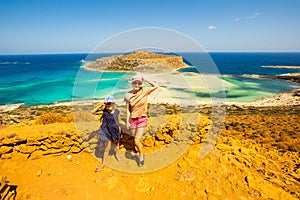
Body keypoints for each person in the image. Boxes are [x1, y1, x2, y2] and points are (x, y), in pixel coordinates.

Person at [124, 76, 158, 167]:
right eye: (135, 83)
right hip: (132, 119)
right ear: (132, 84)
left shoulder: (145, 91)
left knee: (136, 140)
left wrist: (146, 80)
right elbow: (128, 109)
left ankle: (141, 156)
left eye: (139, 83)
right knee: (134, 137)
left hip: (142, 119)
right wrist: (127, 121)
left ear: (141, 84)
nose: (137, 85)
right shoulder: (128, 95)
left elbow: (156, 86)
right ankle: (137, 151)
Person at [93, 96, 123, 172]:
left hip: (115, 131)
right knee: (107, 148)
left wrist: (127, 124)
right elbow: (92, 112)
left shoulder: (117, 112)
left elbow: (119, 121)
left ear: (114, 104)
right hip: (107, 132)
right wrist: (102, 103)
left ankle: (117, 155)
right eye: (108, 104)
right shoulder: (104, 112)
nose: (109, 105)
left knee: (117, 144)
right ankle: (103, 164)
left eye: (111, 103)